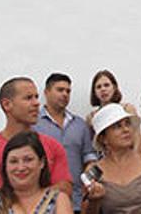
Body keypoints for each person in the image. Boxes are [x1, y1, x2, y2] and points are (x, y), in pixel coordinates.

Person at [0, 77, 73, 201]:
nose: (37, 103)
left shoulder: (53, 146)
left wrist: (11, 194)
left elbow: (65, 189)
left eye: (36, 97)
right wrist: (46, 193)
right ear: (7, 104)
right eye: (28, 98)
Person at [33, 73, 97, 212]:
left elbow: (89, 157)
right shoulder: (33, 124)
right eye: (60, 90)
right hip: (43, 204)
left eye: (68, 91)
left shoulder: (80, 124)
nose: (65, 94)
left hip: (76, 202)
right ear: (46, 92)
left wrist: (88, 181)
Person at [83, 104, 141, 213]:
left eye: (127, 123)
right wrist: (95, 201)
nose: (125, 129)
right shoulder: (93, 171)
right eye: (117, 126)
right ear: (103, 138)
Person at [0, 131, 72, 214]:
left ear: (42, 162)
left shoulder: (59, 199)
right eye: (13, 161)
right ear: (5, 166)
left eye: (28, 160)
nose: (21, 167)